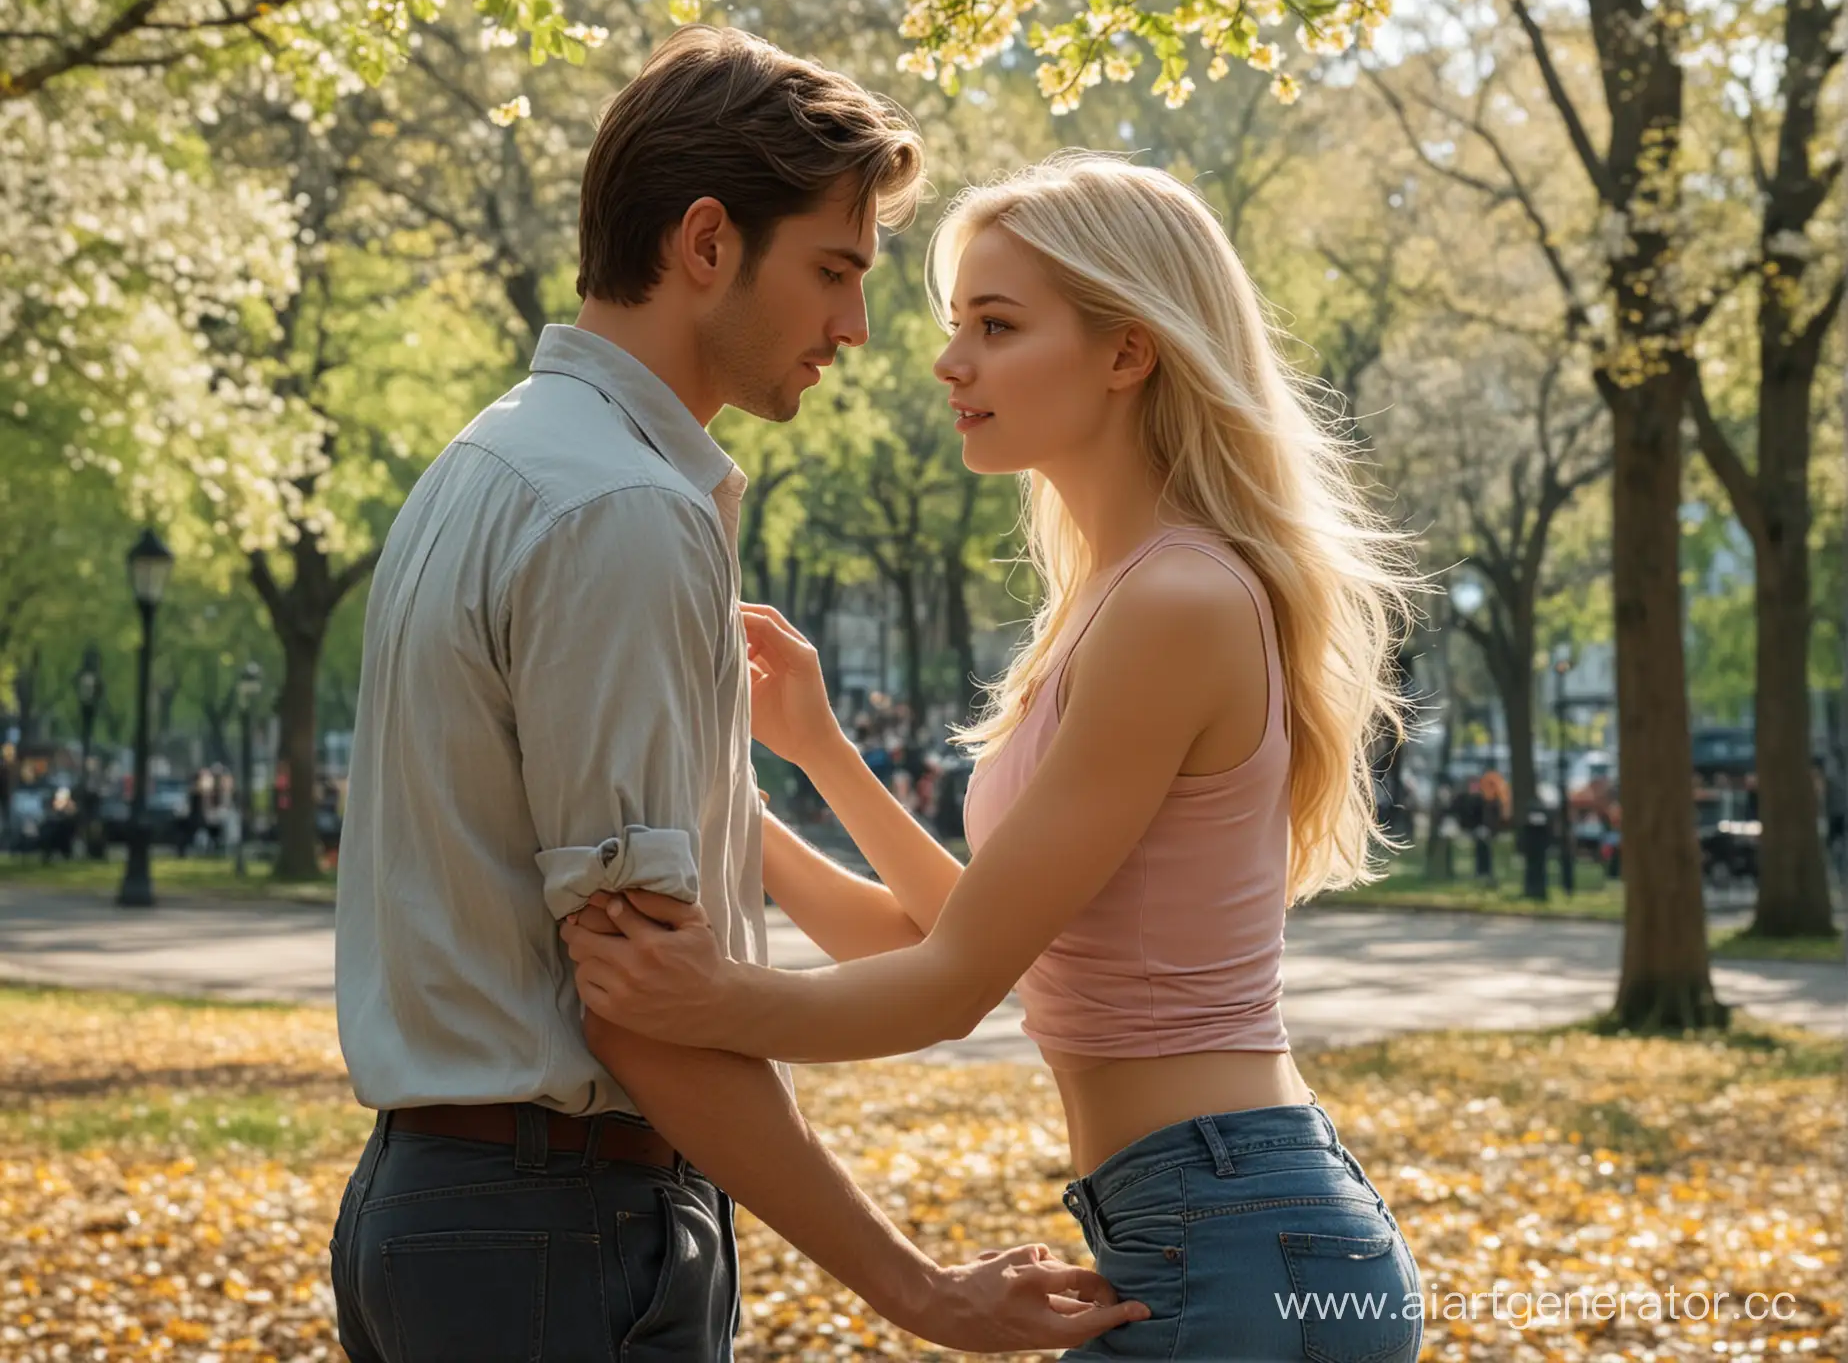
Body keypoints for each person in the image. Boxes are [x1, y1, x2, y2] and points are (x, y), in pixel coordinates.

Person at [328, 30, 1141, 1363]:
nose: (856, 330)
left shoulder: (494, 463)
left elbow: (872, 943)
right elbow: (642, 1004)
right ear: (707, 243)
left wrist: (807, 757)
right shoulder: (621, 514)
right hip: (558, 1229)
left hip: (471, 1217)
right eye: (835, 271)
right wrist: (924, 1291)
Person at [563, 153, 1426, 1360]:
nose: (947, 360)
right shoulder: (1119, 598)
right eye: (958, 323)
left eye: (997, 325)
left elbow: (957, 983)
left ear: (1130, 351)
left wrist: (715, 1006)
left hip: (1238, 1236)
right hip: (1210, 1222)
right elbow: (961, 938)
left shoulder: (1177, 601)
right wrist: (783, 781)